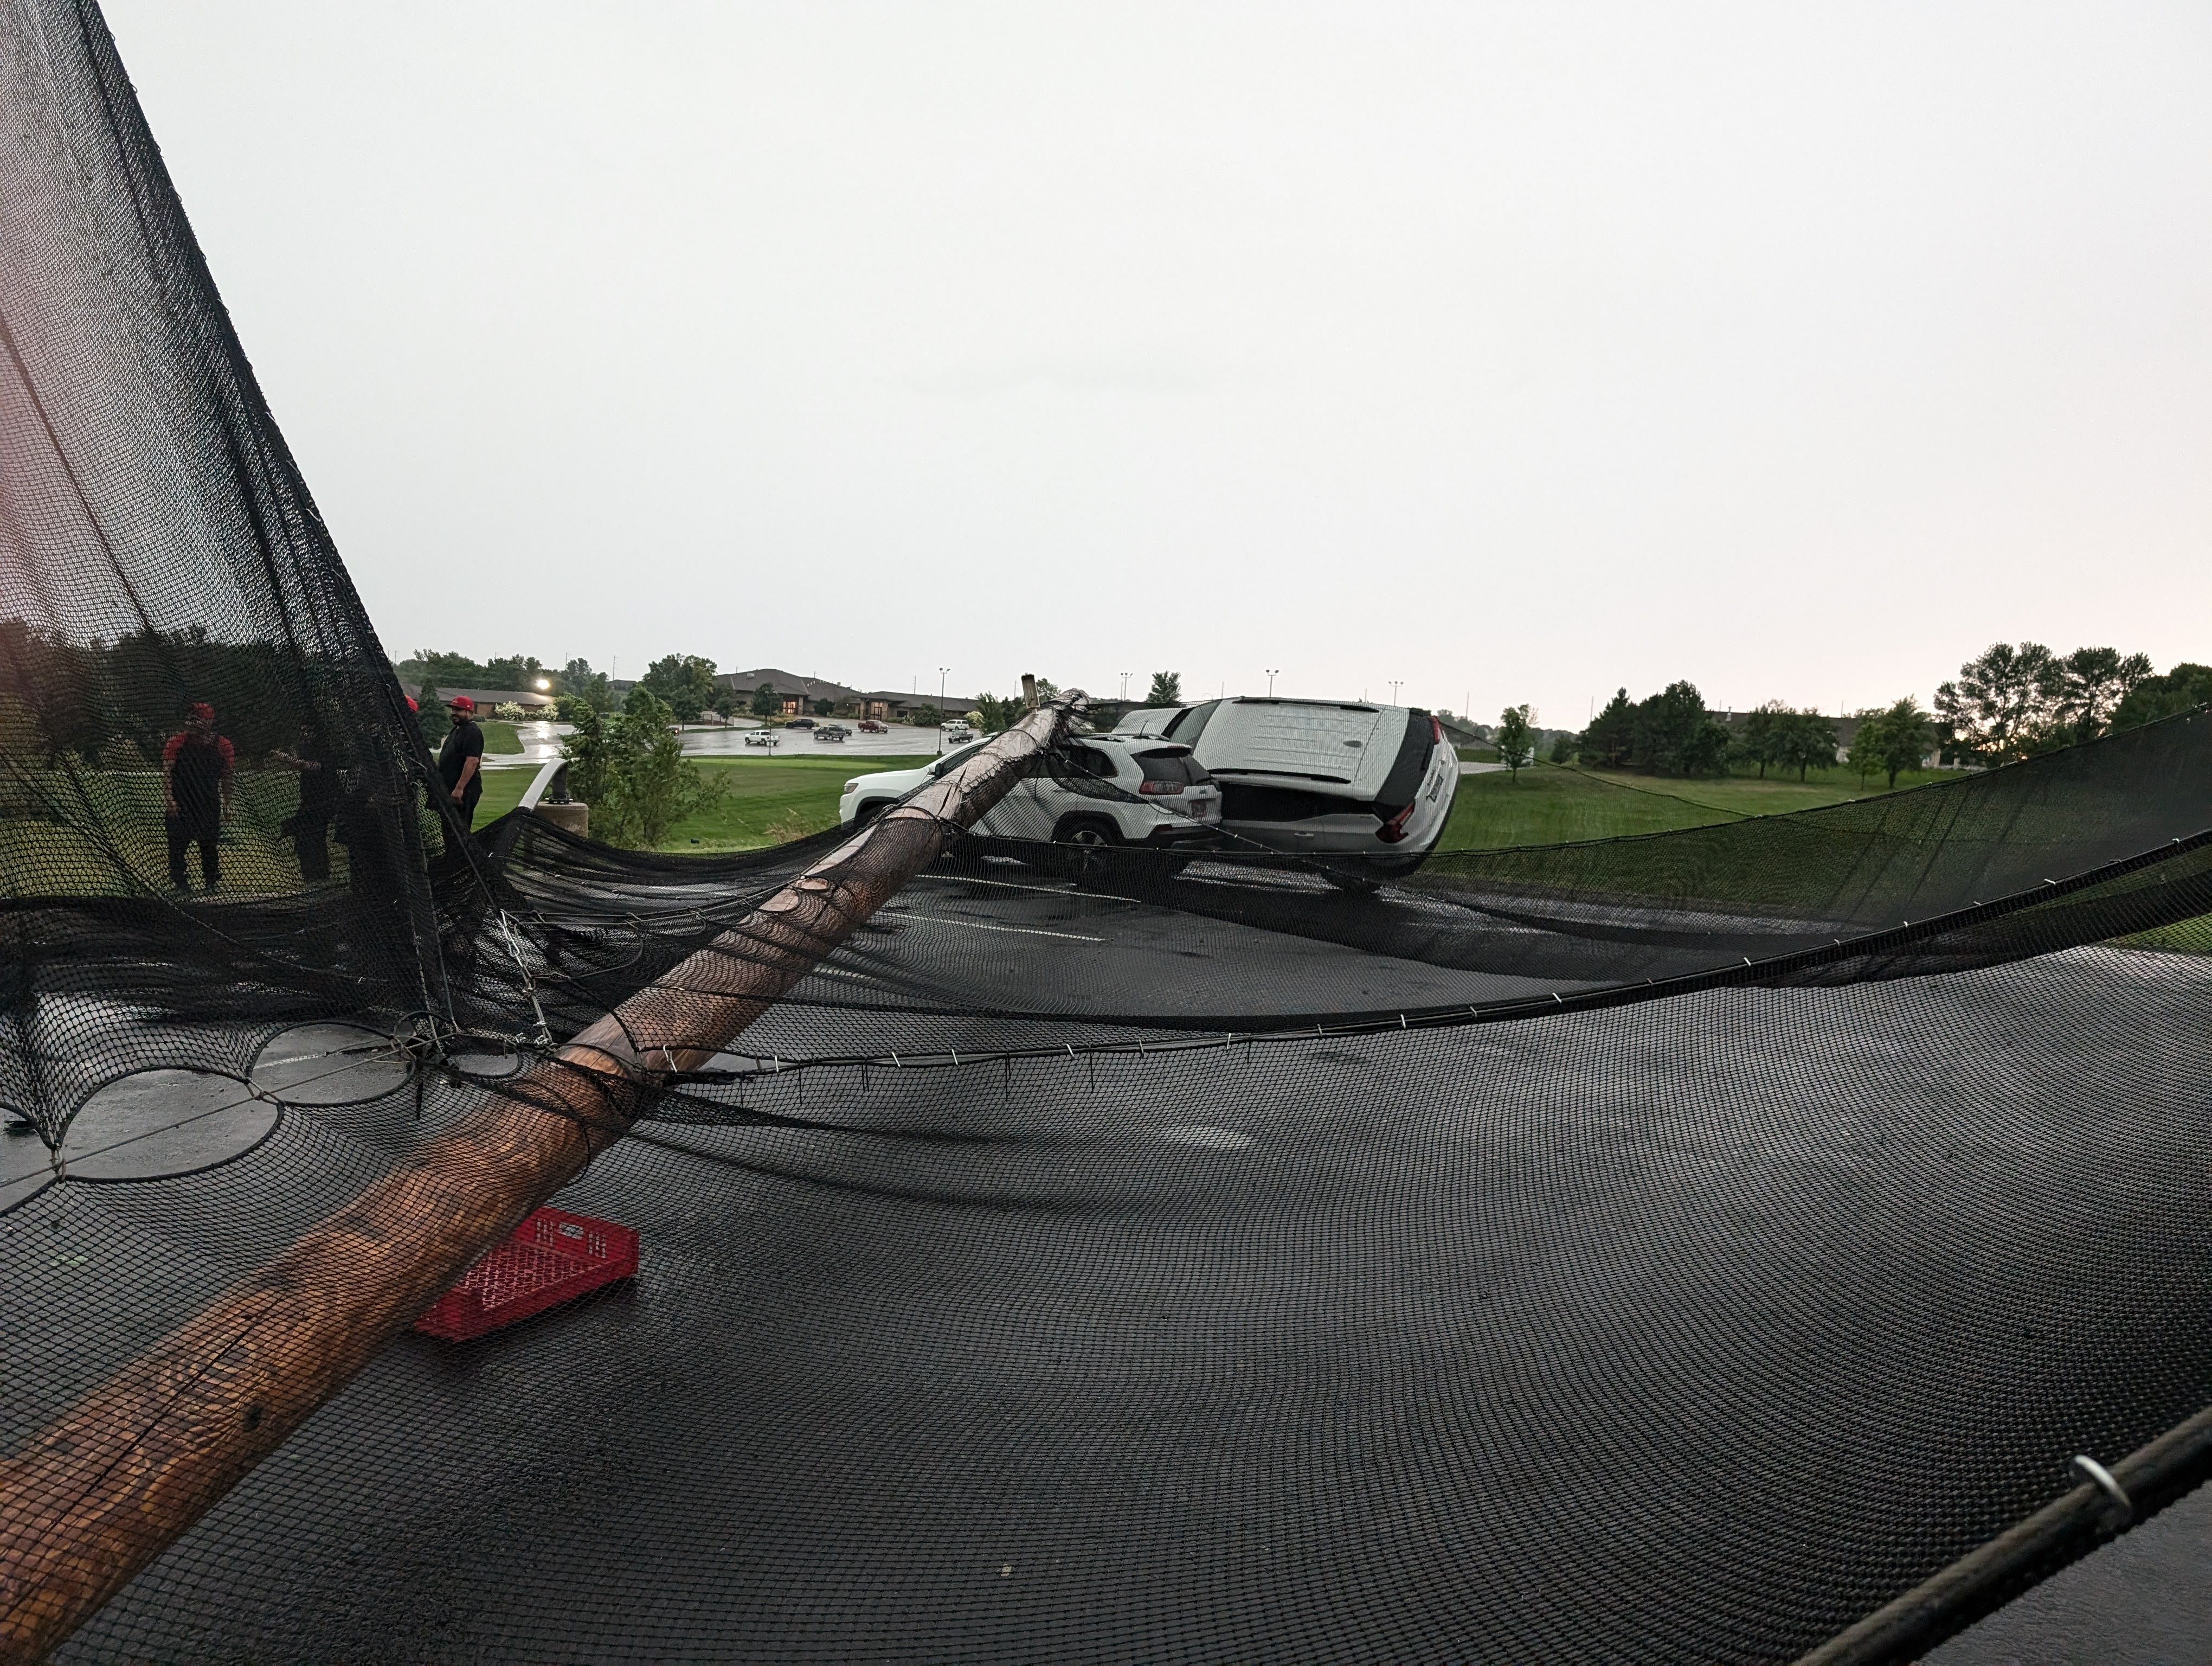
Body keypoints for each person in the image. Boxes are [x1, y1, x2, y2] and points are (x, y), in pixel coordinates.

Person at [162, 701, 234, 892]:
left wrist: (228, 803)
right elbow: (167, 772)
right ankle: (180, 884)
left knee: (209, 844)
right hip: (182, 802)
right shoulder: (177, 742)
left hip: (208, 803)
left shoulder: (223, 745)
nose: (191, 723)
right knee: (177, 844)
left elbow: (227, 776)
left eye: (197, 719)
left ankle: (211, 882)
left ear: (209, 721)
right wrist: (169, 799)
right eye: (190, 719)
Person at [269, 722, 337, 882]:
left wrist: (285, 758)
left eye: (309, 732)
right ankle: (313, 876)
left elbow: (309, 766)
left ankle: (319, 877)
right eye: (303, 732)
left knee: (313, 839)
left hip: (322, 803)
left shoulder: (324, 750)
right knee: (304, 839)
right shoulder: (309, 749)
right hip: (309, 802)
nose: (305, 736)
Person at [438, 694, 486, 830]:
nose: (454, 713)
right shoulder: (458, 729)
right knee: (449, 829)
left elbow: (472, 761)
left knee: (459, 831)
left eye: (459, 710)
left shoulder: (472, 732)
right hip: (451, 789)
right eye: (453, 709)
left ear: (470, 712)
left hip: (464, 792)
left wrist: (459, 789)